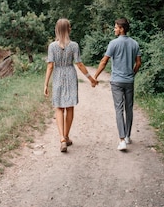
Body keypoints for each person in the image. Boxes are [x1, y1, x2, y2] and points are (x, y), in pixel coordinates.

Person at [44, 18, 98, 152]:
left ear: (57, 29)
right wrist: (90, 78)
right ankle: (66, 137)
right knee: (69, 107)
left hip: (58, 75)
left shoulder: (52, 46)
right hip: (70, 74)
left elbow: (50, 66)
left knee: (59, 107)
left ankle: (62, 138)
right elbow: (79, 64)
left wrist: (45, 84)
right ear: (68, 29)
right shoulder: (74, 45)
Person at [93, 17, 141, 151]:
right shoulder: (134, 43)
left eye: (116, 27)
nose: (114, 29)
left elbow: (104, 61)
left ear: (122, 29)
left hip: (116, 82)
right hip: (129, 81)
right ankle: (127, 136)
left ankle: (121, 140)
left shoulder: (113, 43)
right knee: (129, 108)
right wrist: (132, 74)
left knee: (119, 109)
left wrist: (95, 76)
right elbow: (138, 63)